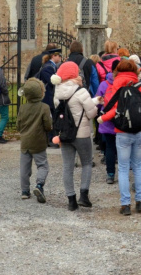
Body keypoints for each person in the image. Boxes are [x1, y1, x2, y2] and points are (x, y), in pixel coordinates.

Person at [97, 59, 141, 216]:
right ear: (135, 70)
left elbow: (113, 108)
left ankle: (125, 204)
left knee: (124, 168)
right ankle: (140, 201)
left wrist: (104, 118)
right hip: (140, 130)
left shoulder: (116, 85)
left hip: (123, 131)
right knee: (138, 165)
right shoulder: (140, 85)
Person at [52, 61, 100, 211]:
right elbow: (91, 113)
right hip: (82, 134)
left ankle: (71, 200)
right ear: (74, 74)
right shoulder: (81, 91)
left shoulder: (57, 93)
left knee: (67, 166)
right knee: (86, 163)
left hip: (66, 134)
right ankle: (84, 195)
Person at [17, 77, 53, 203]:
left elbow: (18, 125)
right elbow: (48, 125)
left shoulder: (22, 108)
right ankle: (39, 185)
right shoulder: (44, 107)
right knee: (43, 165)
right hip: (39, 141)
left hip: (25, 142)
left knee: (24, 168)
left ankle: (25, 191)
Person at [38, 49, 63, 148]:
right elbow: (52, 82)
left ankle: (51, 138)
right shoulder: (48, 67)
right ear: (54, 56)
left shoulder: (51, 66)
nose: (60, 58)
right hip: (48, 96)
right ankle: (50, 139)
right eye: (58, 56)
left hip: (50, 96)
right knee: (50, 117)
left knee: (52, 117)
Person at [95, 70, 116, 184]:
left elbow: (97, 102)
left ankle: (110, 174)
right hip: (121, 120)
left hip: (107, 119)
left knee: (110, 148)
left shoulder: (104, 84)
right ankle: (125, 172)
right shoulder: (124, 83)